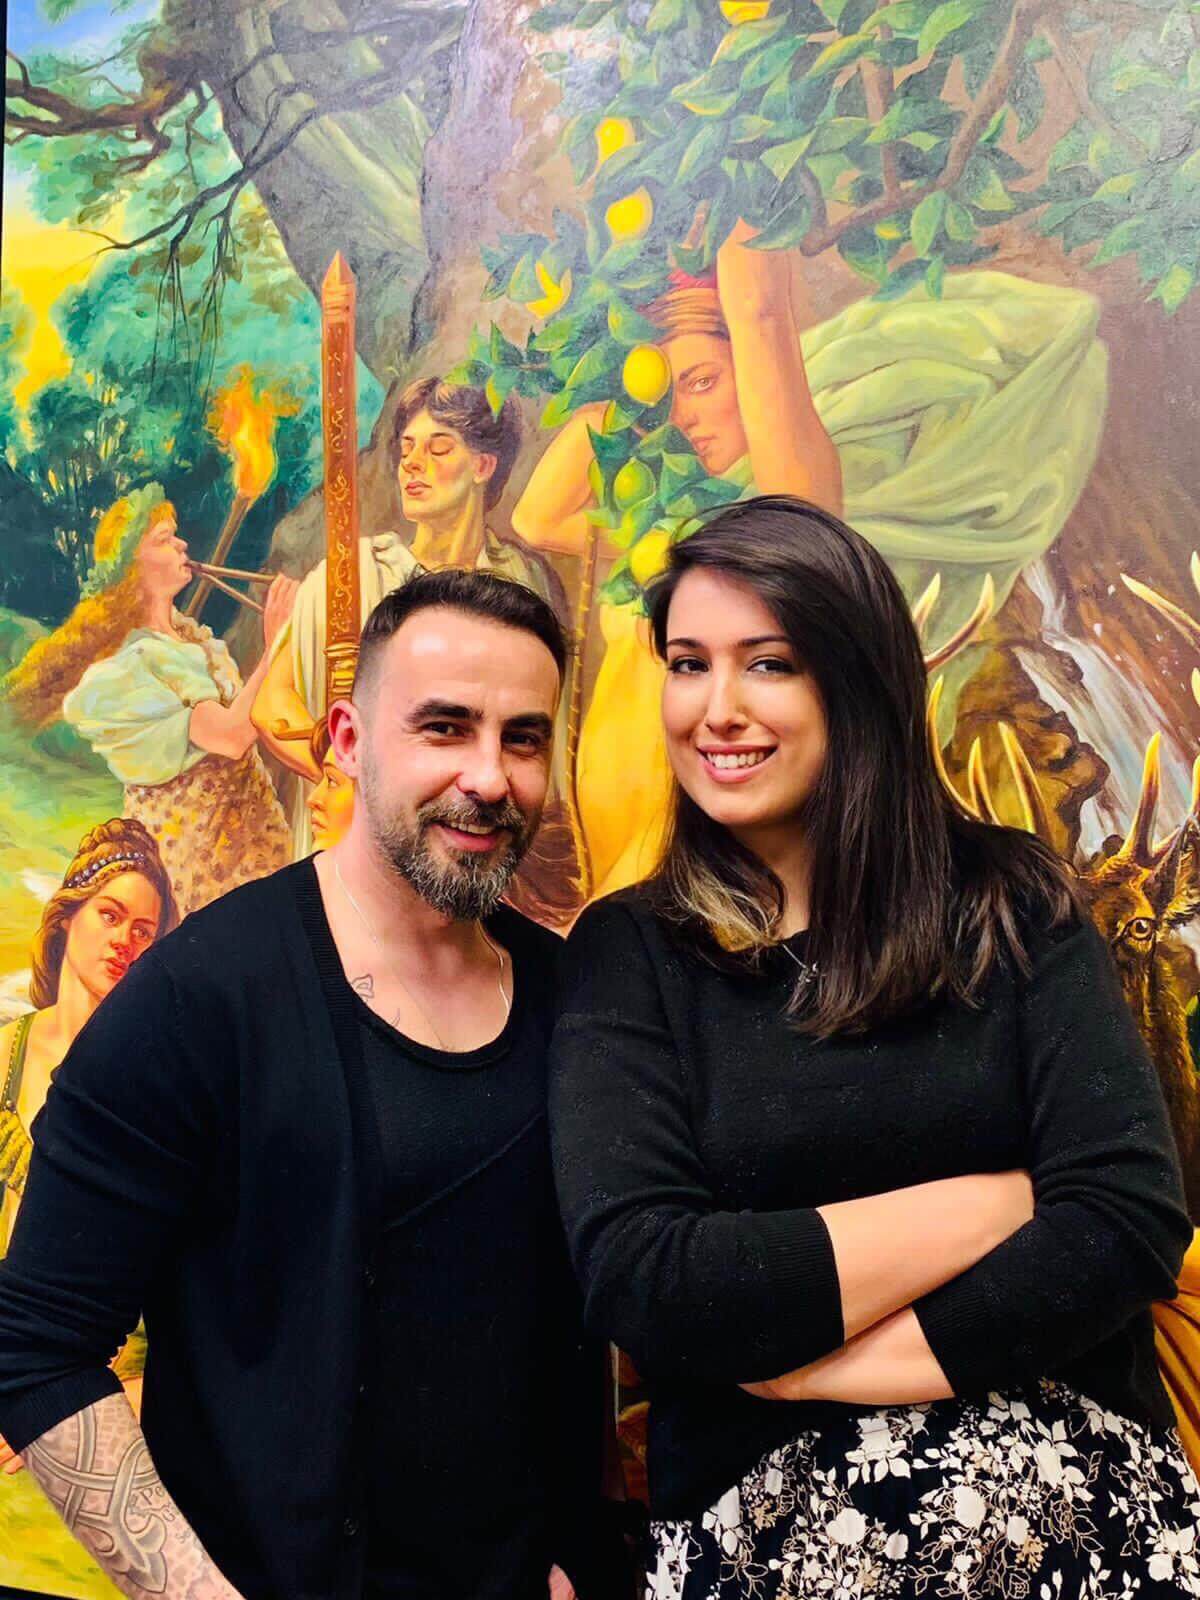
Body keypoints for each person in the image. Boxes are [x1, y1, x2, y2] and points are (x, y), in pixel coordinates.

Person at [550, 496, 1200, 1598]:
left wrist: (824, 1373)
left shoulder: (1011, 899)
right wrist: (996, 1203)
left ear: (857, 681)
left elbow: (1127, 1216)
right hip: (766, 1530)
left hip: (1072, 1500)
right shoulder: (631, 952)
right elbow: (652, 1280)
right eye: (689, 664)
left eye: (769, 664)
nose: (716, 709)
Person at [0, 570, 625, 1600]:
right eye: (444, 727)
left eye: (523, 739)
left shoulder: (577, 1002)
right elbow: (35, 1346)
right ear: (346, 739)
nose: (489, 776)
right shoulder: (195, 998)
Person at [513, 224, 1107, 899]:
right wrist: (621, 390)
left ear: (754, 374)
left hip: (692, 825)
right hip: (619, 823)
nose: (686, 418)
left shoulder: (785, 507)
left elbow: (761, 314)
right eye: (667, 402)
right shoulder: (675, 525)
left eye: (704, 382)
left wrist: (744, 280)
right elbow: (537, 519)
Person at [252, 377, 567, 865]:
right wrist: (355, 769)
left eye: (439, 448)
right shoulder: (354, 572)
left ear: (484, 465)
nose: (412, 464)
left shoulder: (524, 579)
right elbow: (271, 704)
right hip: (367, 842)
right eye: (406, 449)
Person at [0, 819, 177, 1591]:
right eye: (110, 914)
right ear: (68, 916)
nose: (124, 940)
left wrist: (70, 1402)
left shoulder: (159, 1086)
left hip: (99, 1418)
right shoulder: (4, 1056)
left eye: (144, 930)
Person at [2, 485, 296, 917]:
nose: (182, 545)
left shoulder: (192, 639)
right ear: (132, 568)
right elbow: (232, 736)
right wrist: (276, 645)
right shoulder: (133, 665)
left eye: (175, 535)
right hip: (198, 861)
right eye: (164, 538)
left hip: (248, 840)